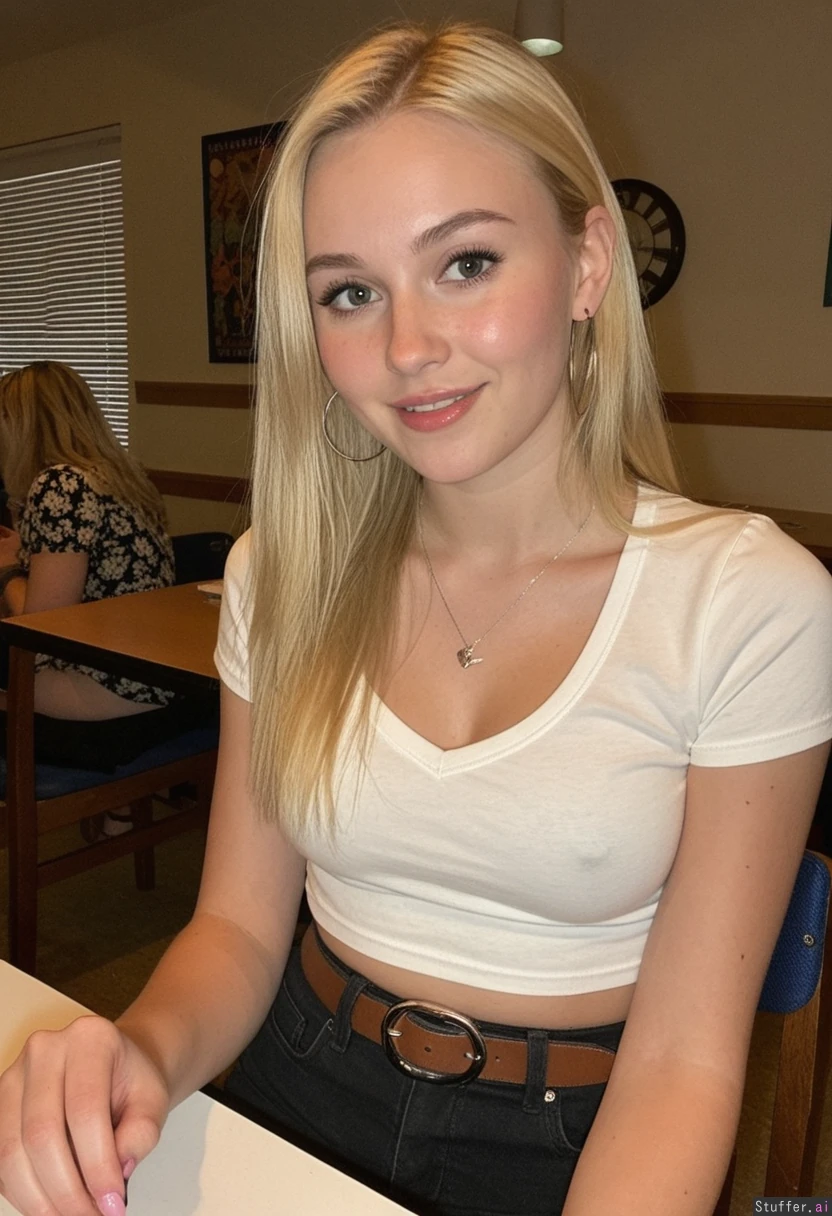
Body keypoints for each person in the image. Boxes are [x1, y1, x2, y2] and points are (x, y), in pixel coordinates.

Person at [1, 23, 831, 1216]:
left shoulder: (748, 603)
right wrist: (140, 1051)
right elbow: (237, 927)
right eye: (350, 292)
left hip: (584, 1135)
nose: (405, 348)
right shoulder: (282, 574)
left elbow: (684, 1063)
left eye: (466, 263)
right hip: (296, 1070)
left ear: (587, 263)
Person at [0, 360, 207, 780]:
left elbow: (42, 625)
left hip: (108, 685)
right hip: (161, 674)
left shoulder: (59, 485)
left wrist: (6, 571)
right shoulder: (121, 475)